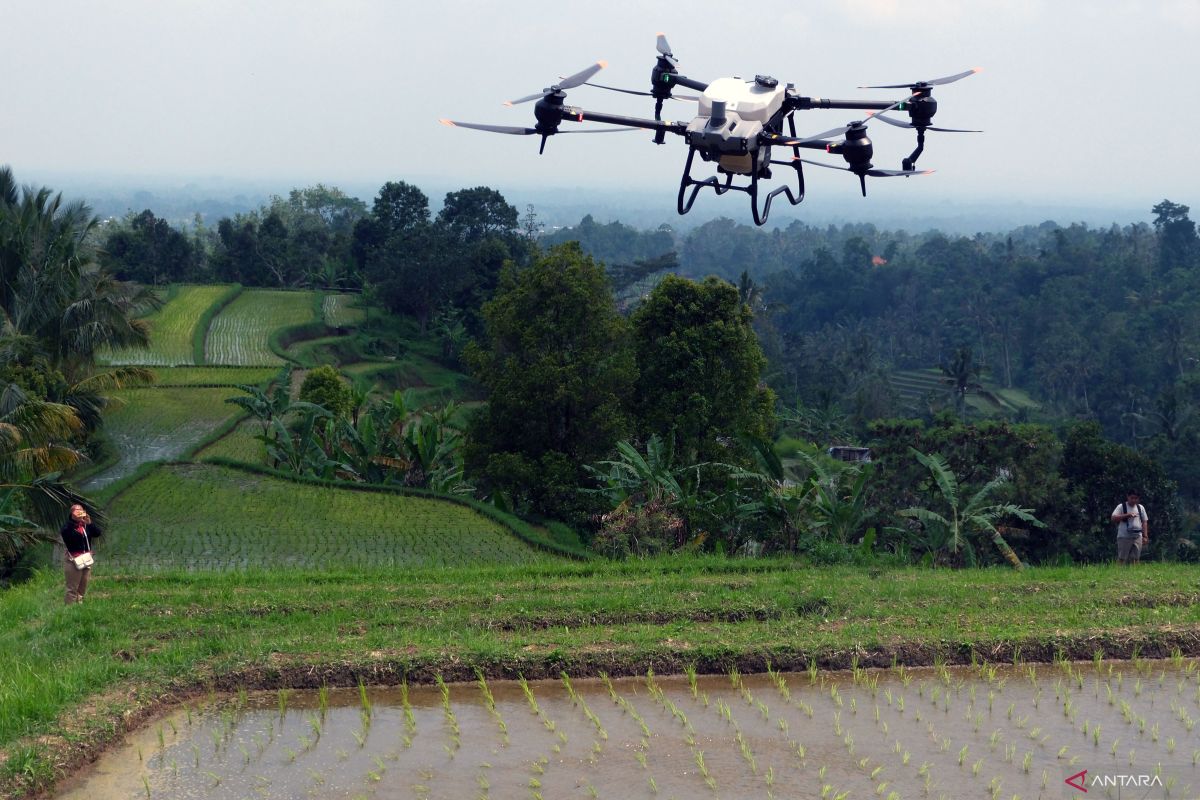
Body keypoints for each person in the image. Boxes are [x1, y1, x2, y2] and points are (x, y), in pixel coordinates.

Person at [60, 504, 102, 604]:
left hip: (86, 559)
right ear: (72, 514)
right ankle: (69, 609)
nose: (79, 512)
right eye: (77, 510)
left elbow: (97, 533)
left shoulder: (85, 525)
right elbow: (67, 535)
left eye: (81, 510)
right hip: (73, 560)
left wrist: (89, 523)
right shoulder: (67, 527)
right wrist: (74, 522)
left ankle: (79, 605)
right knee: (72, 587)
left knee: (83, 585)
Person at [1111, 491, 1148, 565]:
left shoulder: (1140, 507)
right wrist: (1127, 515)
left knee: (1136, 558)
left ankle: (1134, 574)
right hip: (1124, 536)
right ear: (1127, 497)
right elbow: (1113, 518)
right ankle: (1117, 574)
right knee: (1122, 558)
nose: (1134, 500)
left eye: (1136, 498)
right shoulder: (1121, 506)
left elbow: (1144, 522)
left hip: (1137, 536)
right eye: (1132, 498)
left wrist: (1145, 536)